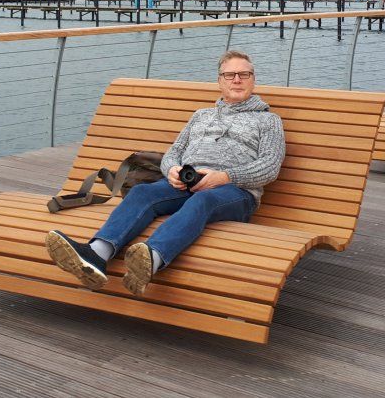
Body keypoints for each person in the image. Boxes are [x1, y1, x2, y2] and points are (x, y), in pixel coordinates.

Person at [45, 50, 286, 297]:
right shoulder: (201, 115)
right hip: (186, 183)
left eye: (244, 74)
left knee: (203, 200)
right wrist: (171, 170)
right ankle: (96, 255)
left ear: (253, 79)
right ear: (219, 81)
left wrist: (225, 177)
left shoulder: (268, 121)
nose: (237, 80)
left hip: (234, 192)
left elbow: (270, 166)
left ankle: (150, 260)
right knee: (142, 192)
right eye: (230, 75)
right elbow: (174, 152)